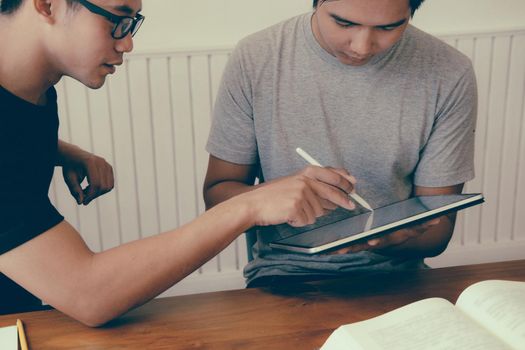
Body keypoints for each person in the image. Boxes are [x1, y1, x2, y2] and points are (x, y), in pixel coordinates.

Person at [0, 0, 328, 326]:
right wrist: (249, 206)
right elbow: (88, 293)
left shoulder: (31, 87)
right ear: (47, 5)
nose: (127, 42)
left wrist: (62, 151)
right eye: (118, 19)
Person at [203, 0, 477, 287]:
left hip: (399, 278)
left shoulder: (449, 71)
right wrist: (273, 195)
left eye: (388, 27)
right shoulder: (257, 57)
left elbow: (438, 233)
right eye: (344, 23)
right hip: (286, 276)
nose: (361, 47)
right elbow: (217, 196)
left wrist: (389, 237)